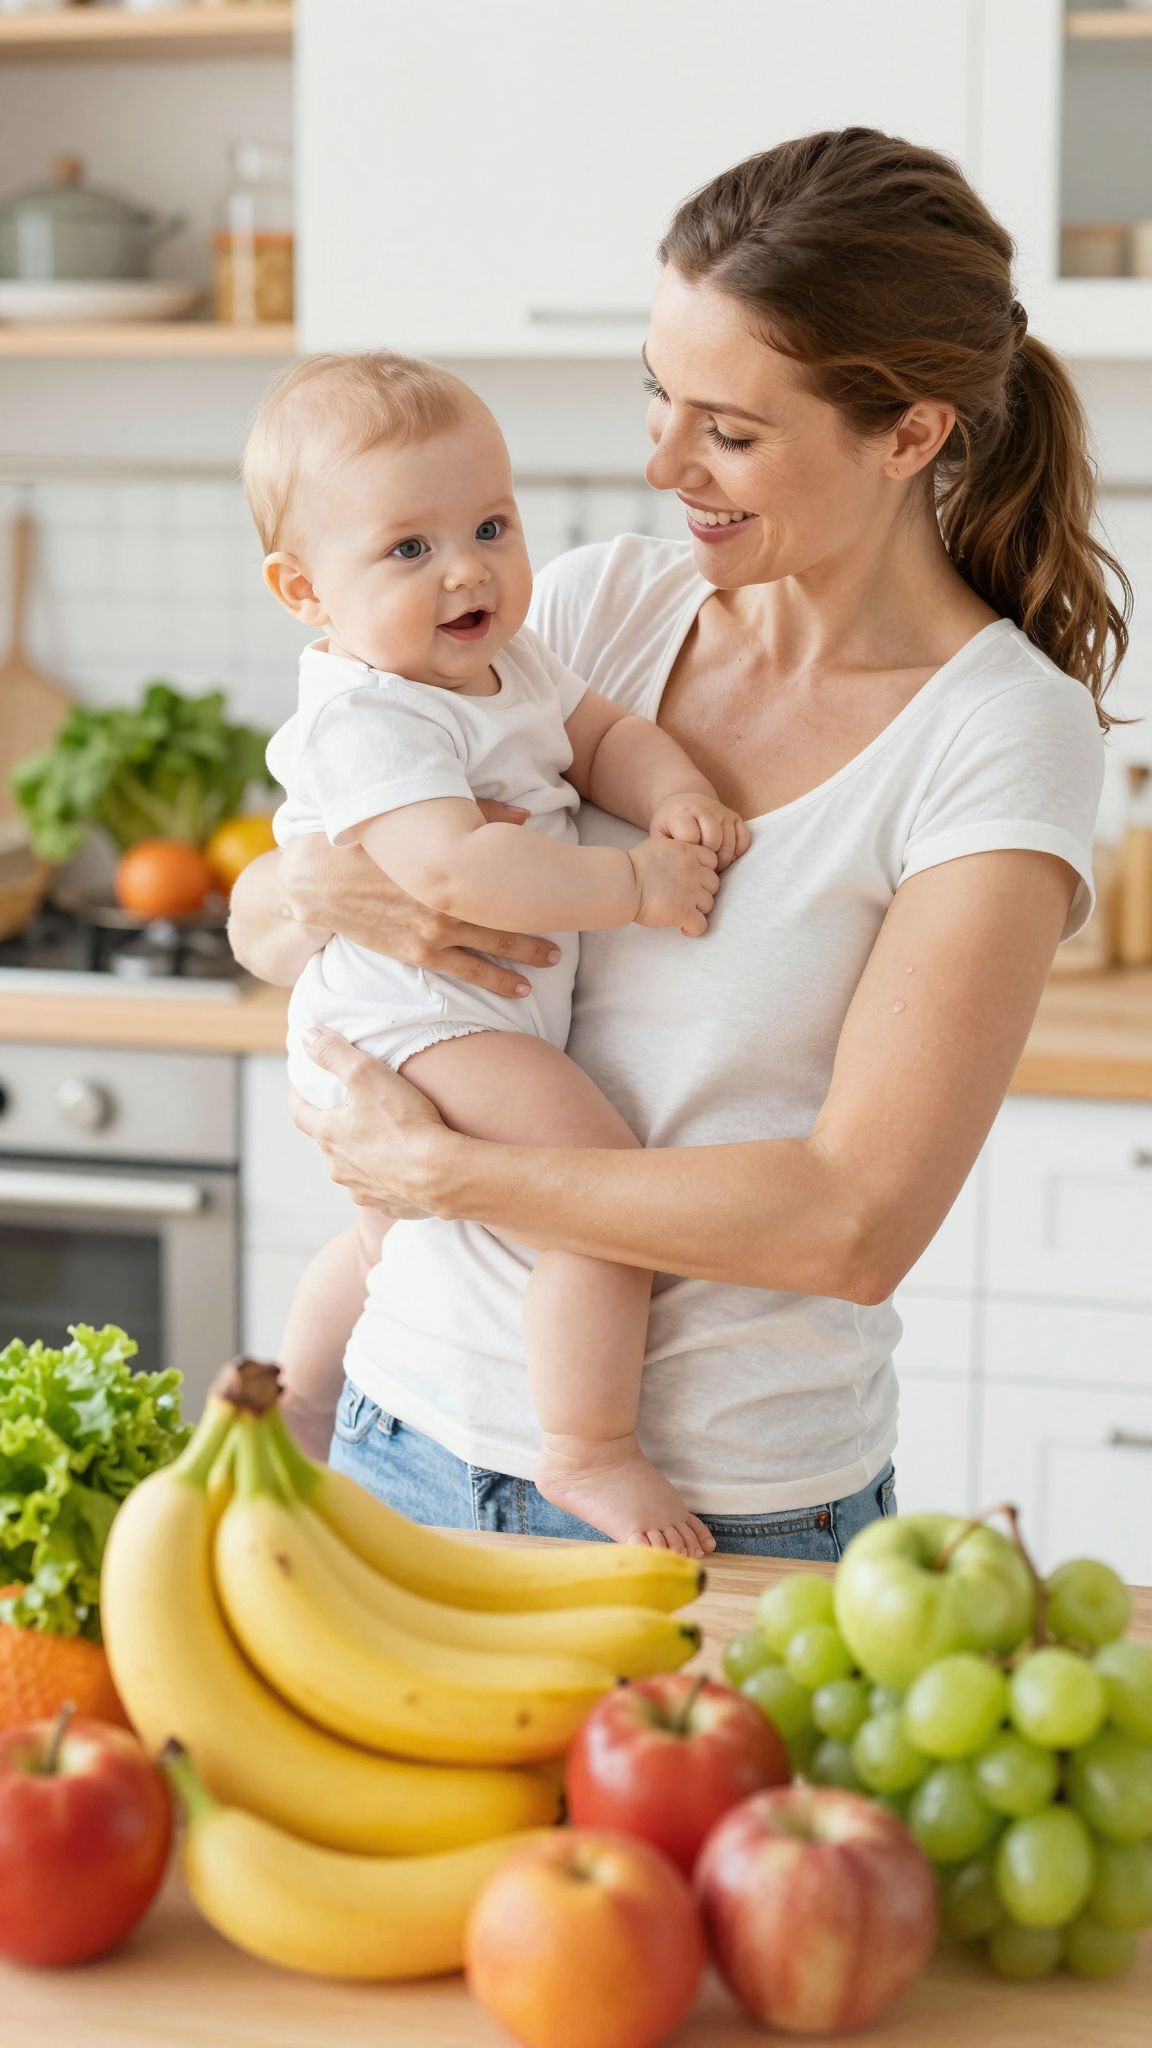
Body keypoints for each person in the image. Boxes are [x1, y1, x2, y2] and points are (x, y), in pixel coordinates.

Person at [230, 129, 1126, 1561]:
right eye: (660, 395)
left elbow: (851, 1222)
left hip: (716, 1509)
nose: (661, 464)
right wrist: (325, 895)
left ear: (909, 433)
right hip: (402, 1440)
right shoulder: (588, 610)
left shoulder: (998, 737)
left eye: (729, 430)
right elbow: (274, 914)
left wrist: (444, 1174)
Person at [247, 350, 748, 1555]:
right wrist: (637, 880)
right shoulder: (372, 713)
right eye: (408, 549)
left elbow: (604, 734)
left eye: (490, 523)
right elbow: (457, 872)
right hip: (420, 1023)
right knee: (603, 1188)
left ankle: (298, 1400)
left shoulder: (504, 659)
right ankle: (587, 1446)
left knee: (386, 1237)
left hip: (461, 1018)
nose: (468, 567)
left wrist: (672, 785)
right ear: (305, 590)